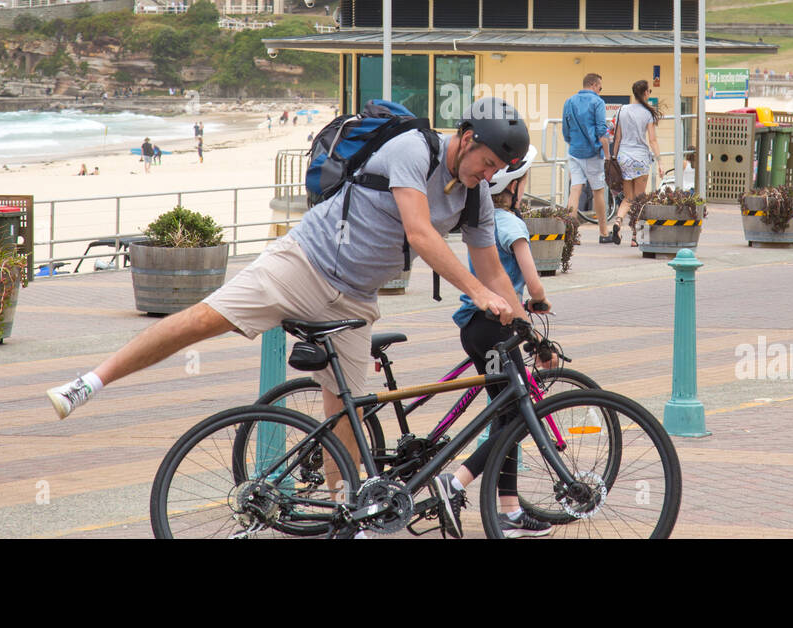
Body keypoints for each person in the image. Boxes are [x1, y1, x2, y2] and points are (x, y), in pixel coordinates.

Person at [46, 98, 530, 494]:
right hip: (301, 263)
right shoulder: (412, 149)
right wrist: (477, 295)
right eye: (487, 162)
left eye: (498, 171)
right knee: (201, 320)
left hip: (354, 300)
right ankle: (90, 381)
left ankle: (348, 512)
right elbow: (421, 235)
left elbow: (492, 270)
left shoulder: (475, 197)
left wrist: (523, 321)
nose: (488, 175)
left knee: (349, 414)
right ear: (467, 139)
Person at [433, 146, 554, 538]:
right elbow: (532, 282)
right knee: (517, 418)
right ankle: (455, 483)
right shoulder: (513, 227)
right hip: (498, 327)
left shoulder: (483, 225)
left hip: (473, 327)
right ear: (515, 188)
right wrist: (538, 302)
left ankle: (511, 511)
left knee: (506, 417)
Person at [561, 73, 616, 244]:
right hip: (592, 153)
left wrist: (572, 143)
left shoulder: (569, 101)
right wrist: (607, 156)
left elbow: (565, 129)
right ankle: (604, 232)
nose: (600, 91)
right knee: (598, 191)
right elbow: (602, 131)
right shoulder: (597, 102)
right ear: (593, 85)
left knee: (575, 190)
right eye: (600, 87)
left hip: (574, 151)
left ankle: (570, 233)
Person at [613, 80, 663, 246]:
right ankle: (636, 237)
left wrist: (614, 158)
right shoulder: (647, 113)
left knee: (628, 198)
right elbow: (653, 140)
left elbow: (618, 137)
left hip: (624, 157)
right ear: (646, 93)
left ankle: (618, 222)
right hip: (640, 158)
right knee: (640, 201)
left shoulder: (622, 110)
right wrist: (660, 162)